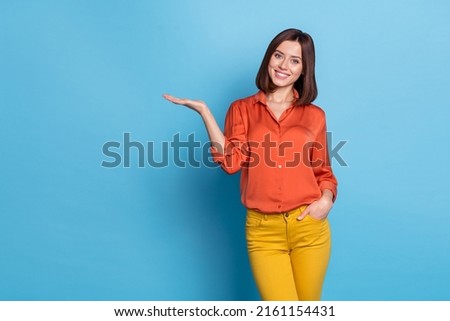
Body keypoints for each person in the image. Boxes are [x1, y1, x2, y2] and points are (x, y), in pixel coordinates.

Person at [163, 28, 337, 301]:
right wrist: (205, 113)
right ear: (269, 58)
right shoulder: (242, 109)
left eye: (295, 60)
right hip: (263, 232)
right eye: (279, 55)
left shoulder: (314, 116)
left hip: (309, 227)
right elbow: (231, 163)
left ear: (304, 69)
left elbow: (323, 171)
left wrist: (326, 200)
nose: (283, 65)